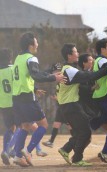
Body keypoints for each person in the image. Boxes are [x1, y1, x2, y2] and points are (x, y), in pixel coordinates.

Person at [12, 32, 65, 167]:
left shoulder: (18, 58)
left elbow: (28, 76)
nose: (37, 45)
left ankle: (18, 156)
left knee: (25, 126)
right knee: (43, 125)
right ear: (31, 45)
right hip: (27, 98)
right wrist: (55, 78)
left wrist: (37, 86)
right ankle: (28, 151)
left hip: (17, 98)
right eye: (36, 42)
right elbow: (36, 76)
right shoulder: (31, 58)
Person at [57, 43, 107, 166]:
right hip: (70, 105)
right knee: (86, 131)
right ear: (69, 55)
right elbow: (89, 76)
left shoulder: (68, 69)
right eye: (75, 52)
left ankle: (65, 149)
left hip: (68, 105)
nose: (78, 54)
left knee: (80, 131)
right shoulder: (69, 70)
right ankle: (77, 159)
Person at [0, 48, 16, 165]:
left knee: (10, 127)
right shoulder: (12, 69)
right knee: (20, 127)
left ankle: (7, 150)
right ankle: (10, 150)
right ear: (10, 58)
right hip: (14, 102)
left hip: (2, 104)